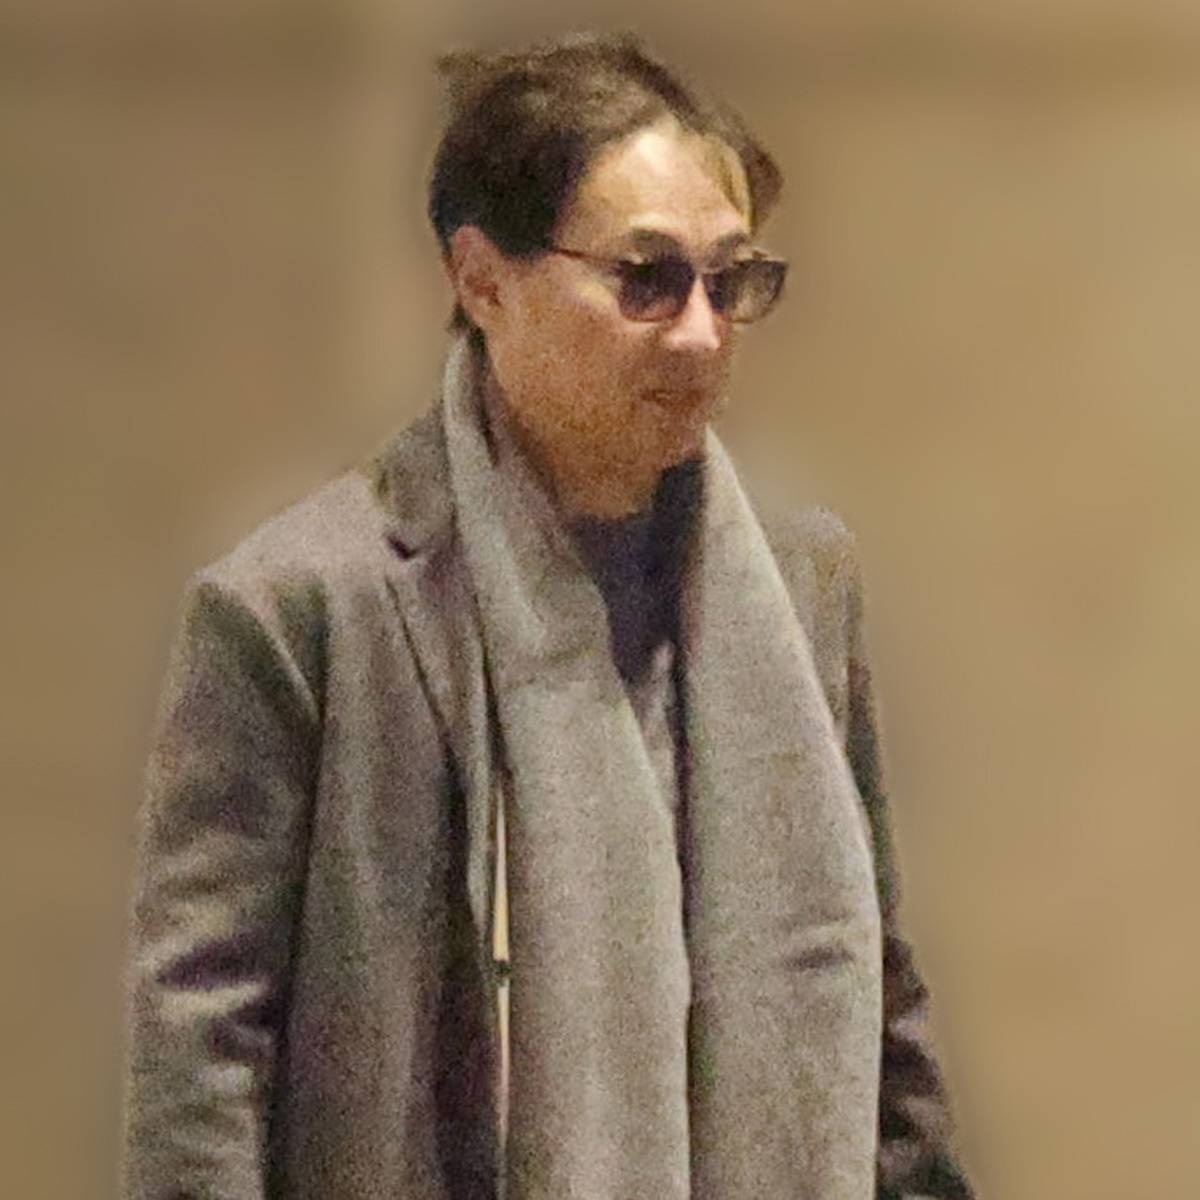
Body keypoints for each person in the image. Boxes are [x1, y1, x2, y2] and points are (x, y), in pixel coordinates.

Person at [121, 31, 974, 1200]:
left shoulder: (803, 581)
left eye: (729, 282)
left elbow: (872, 985)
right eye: (646, 279)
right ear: (481, 281)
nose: (701, 332)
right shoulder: (300, 609)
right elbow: (201, 1060)